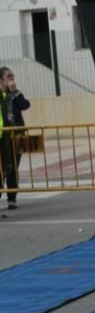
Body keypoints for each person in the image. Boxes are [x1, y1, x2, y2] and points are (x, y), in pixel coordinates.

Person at [0, 67, 29, 212]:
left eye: (13, 75)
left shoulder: (15, 94)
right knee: (1, 168)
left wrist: (15, 92)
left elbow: (25, 105)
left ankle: (12, 198)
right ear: (1, 80)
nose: (12, 78)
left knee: (13, 167)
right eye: (8, 76)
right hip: (1, 137)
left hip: (16, 136)